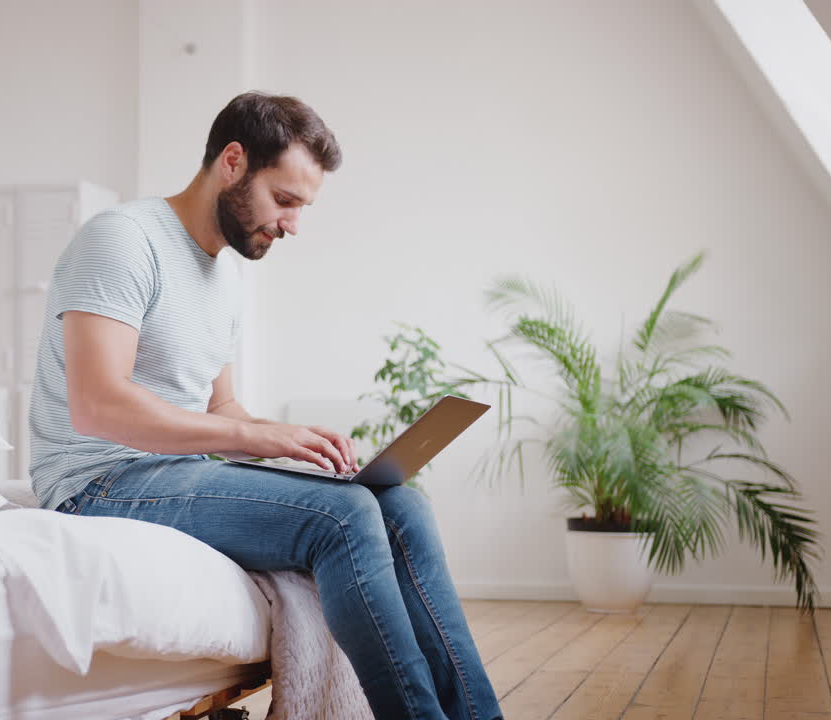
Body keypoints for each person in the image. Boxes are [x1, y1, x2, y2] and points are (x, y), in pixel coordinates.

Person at [28, 91, 504, 720]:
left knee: (403, 505)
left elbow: (221, 407)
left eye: (302, 207)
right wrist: (256, 440)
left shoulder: (223, 275)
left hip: (171, 473)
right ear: (232, 163)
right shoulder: (122, 240)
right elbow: (98, 406)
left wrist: (289, 437)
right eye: (284, 200)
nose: (292, 224)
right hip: (95, 482)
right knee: (342, 518)